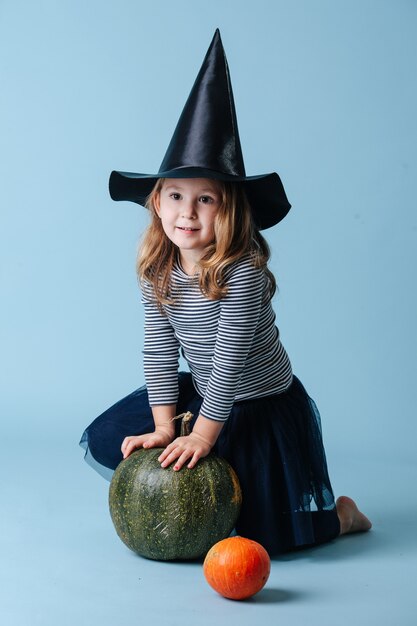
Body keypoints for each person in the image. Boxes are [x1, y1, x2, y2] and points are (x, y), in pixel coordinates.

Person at [79, 30, 371, 555]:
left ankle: (343, 517)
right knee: (134, 446)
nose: (186, 212)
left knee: (276, 537)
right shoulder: (157, 268)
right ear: (156, 203)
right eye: (175, 195)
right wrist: (168, 427)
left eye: (205, 198)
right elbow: (160, 347)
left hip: (255, 403)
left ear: (230, 208)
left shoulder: (242, 271)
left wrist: (203, 437)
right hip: (203, 395)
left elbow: (232, 360)